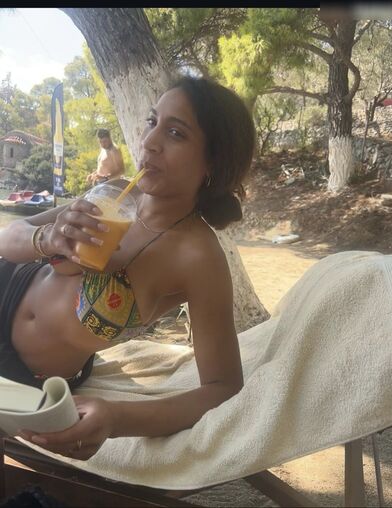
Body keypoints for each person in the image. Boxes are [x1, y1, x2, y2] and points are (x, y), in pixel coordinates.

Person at [0, 76, 254, 460]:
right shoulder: (115, 192)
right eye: (152, 122)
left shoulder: (198, 257)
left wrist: (117, 418)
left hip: (30, 377)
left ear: (213, 162)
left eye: (175, 133)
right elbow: (8, 238)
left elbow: (223, 387)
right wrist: (48, 238)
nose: (149, 141)